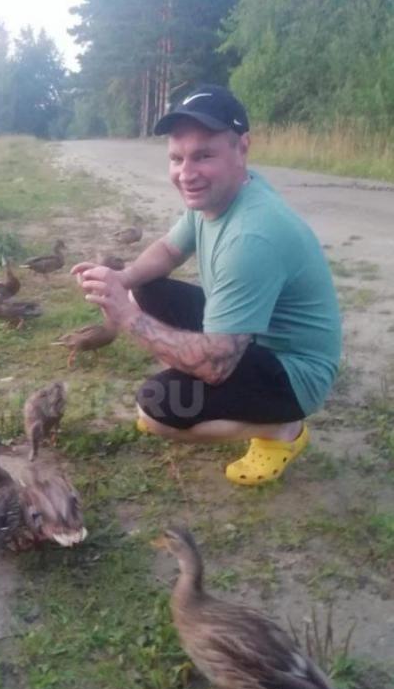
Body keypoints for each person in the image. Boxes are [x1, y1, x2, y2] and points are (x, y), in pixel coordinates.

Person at [71, 84, 341, 486]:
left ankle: (283, 429)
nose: (186, 173)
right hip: (256, 337)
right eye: (176, 158)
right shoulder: (221, 196)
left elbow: (215, 366)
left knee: (156, 411)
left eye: (203, 156)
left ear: (241, 148)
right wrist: (122, 279)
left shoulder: (251, 237)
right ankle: (231, 396)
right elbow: (168, 249)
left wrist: (126, 316)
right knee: (147, 287)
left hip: (295, 370)